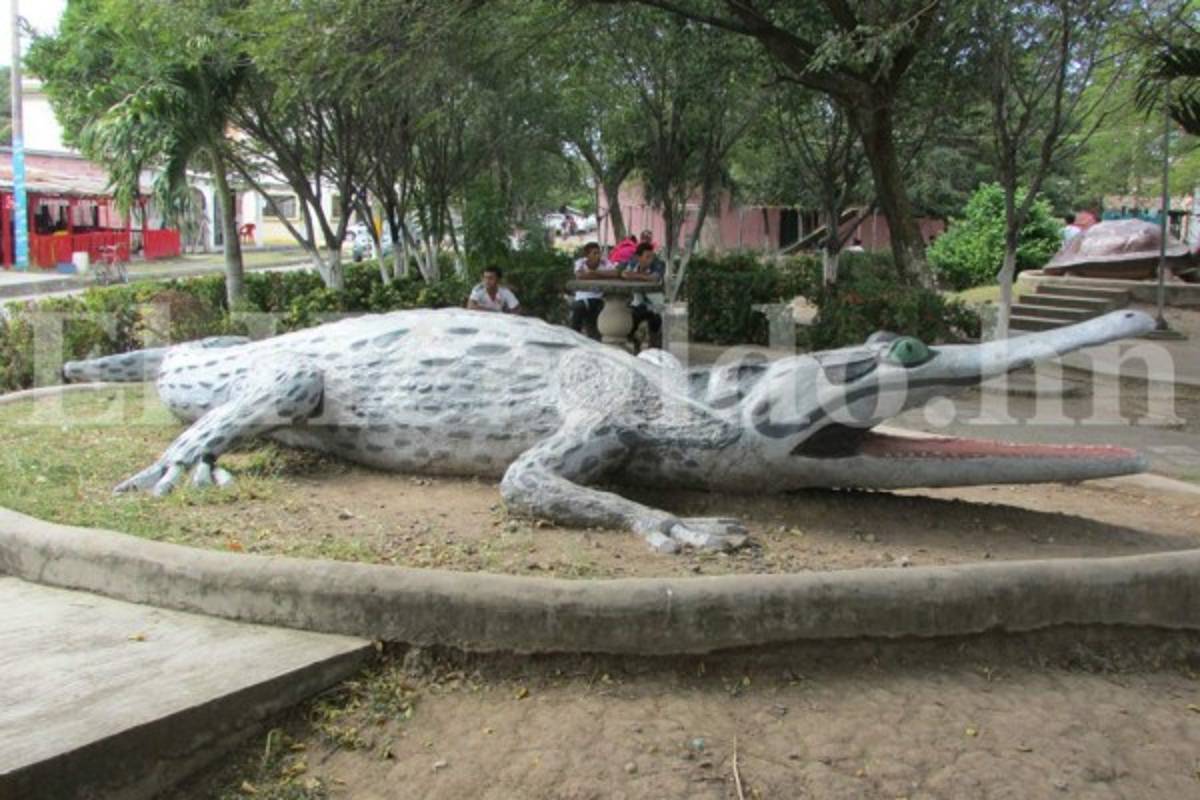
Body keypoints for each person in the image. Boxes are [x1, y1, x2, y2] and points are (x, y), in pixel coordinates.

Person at [620, 242, 665, 349]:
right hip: (638, 303)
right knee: (629, 315)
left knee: (655, 319)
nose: (650, 259)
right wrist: (636, 275)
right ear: (638, 257)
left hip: (656, 305)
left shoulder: (658, 264)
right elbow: (623, 273)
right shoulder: (633, 263)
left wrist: (634, 275)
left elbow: (654, 278)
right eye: (647, 257)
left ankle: (653, 347)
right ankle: (634, 341)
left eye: (652, 256)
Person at [570, 241, 614, 339]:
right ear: (587, 255)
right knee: (577, 312)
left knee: (595, 325)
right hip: (581, 299)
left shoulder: (605, 262)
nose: (598, 256)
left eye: (599, 252)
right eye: (594, 253)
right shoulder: (580, 262)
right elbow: (580, 275)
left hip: (598, 299)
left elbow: (615, 274)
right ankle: (573, 339)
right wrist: (603, 275)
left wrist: (594, 273)